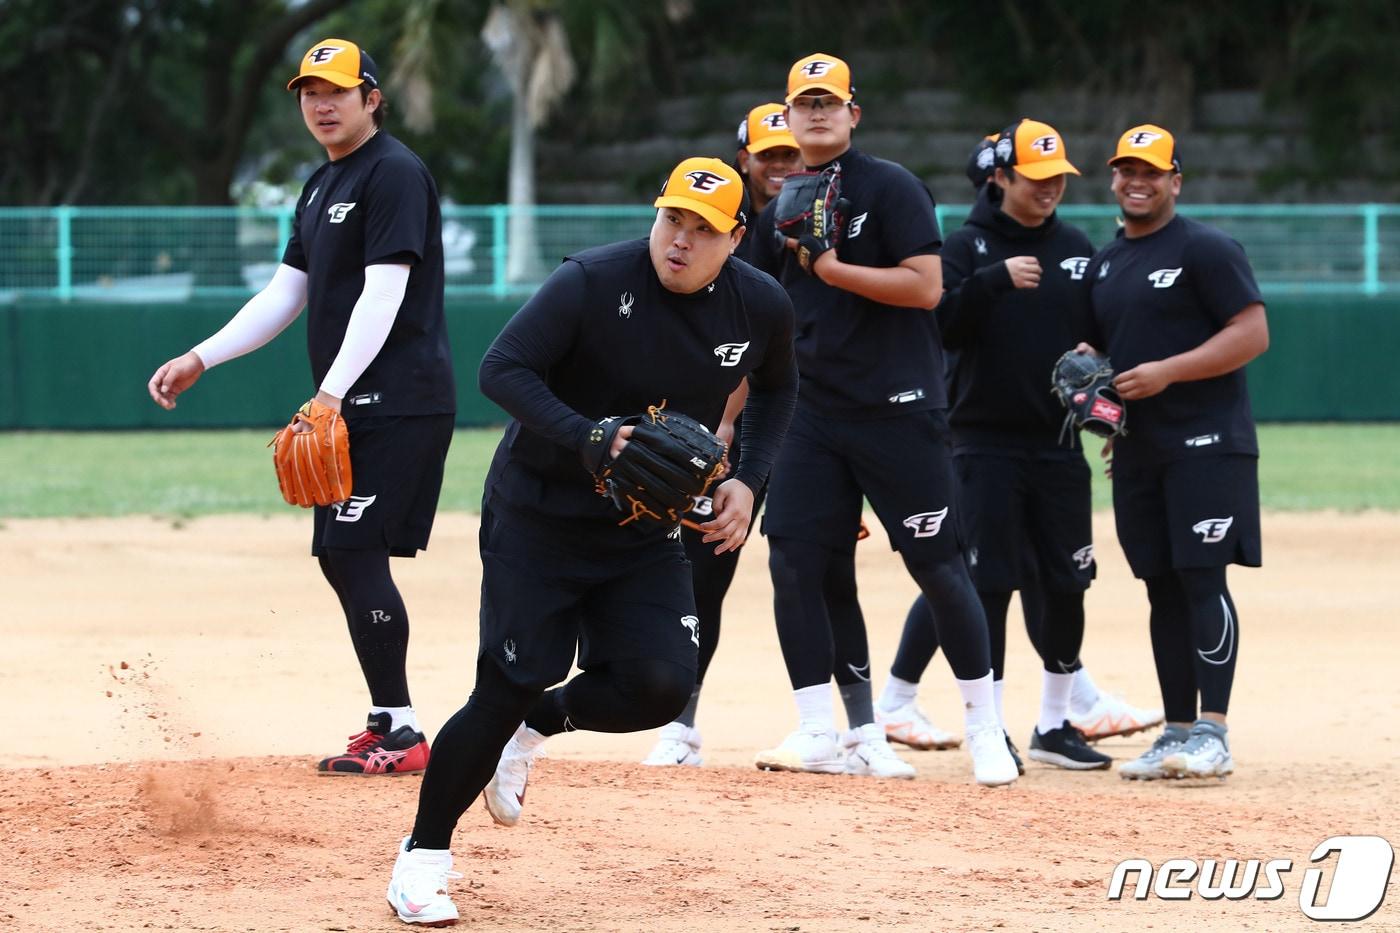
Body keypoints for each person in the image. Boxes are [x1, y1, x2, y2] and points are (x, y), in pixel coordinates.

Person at [383, 157, 798, 924]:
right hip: (536, 514)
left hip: (641, 529)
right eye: (672, 217)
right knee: (506, 682)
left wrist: (749, 479)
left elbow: (777, 389)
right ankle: (421, 858)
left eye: (704, 229)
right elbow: (500, 367)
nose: (680, 238)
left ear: (737, 237)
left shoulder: (760, 305)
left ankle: (539, 725)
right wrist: (588, 436)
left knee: (660, 684)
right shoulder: (593, 281)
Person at [146, 38, 454, 776]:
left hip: (399, 398)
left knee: (352, 551)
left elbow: (386, 294)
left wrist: (332, 392)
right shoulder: (322, 184)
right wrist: (202, 356)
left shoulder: (395, 174)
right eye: (309, 92)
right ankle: (387, 717)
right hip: (355, 402)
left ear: (371, 98)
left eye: (337, 91)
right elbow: (287, 292)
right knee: (341, 558)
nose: (320, 103)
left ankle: (405, 733)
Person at [749, 53, 1018, 786]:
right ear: (787, 112)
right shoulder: (780, 205)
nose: (816, 113)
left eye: (828, 102)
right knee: (798, 560)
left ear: (852, 113)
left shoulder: (891, 185)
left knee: (937, 565)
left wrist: (834, 270)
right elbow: (763, 309)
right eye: (804, 103)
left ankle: (985, 727)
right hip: (810, 410)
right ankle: (828, 730)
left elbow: (927, 288)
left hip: (897, 405)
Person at [878, 124, 1163, 769]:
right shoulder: (966, 246)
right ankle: (992, 727)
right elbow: (939, 324)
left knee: (1068, 584)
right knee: (989, 586)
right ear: (1002, 177)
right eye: (1038, 178)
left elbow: (1096, 335)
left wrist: (1104, 365)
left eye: (1059, 177)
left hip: (1059, 447)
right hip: (982, 447)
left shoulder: (1075, 247)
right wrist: (991, 281)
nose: (1051, 189)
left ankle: (1057, 724)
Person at [1075, 124, 1268, 781]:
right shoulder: (1105, 263)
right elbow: (1101, 355)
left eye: (1152, 171)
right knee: (1160, 586)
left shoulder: (1206, 248)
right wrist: (1094, 394)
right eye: (1127, 169)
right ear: (1113, 178)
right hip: (1139, 451)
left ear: (1174, 181)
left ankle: (1213, 731)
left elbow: (1251, 332)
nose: (1138, 181)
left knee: (1201, 576)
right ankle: (1176, 729)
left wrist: (1168, 372)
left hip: (1209, 443)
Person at [641, 105, 802, 767]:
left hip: (803, 418)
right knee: (698, 569)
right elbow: (729, 352)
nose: (781, 166)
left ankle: (846, 721)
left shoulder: (815, 218)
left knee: (807, 563)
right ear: (745, 159)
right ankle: (680, 718)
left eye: (791, 154)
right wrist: (727, 422)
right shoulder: (715, 224)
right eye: (769, 154)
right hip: (720, 422)